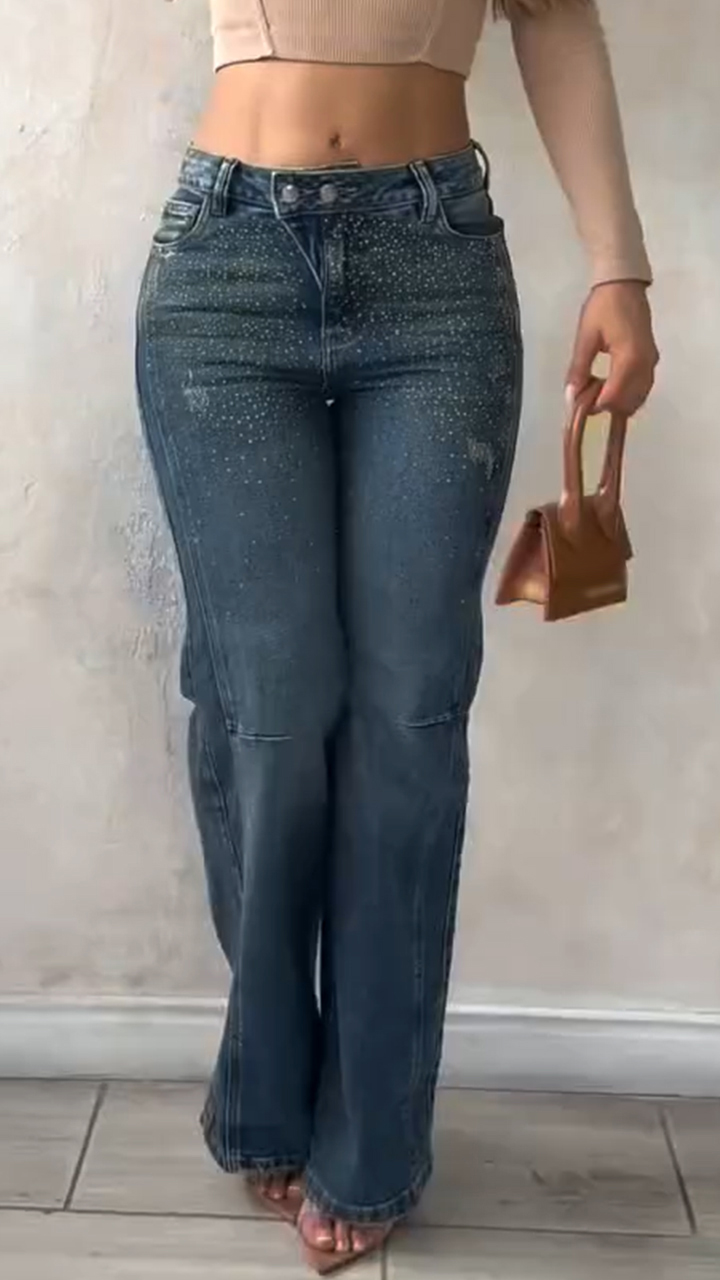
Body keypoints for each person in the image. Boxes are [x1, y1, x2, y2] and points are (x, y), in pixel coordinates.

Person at [135, 0, 659, 1271]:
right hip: (225, 268)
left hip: (437, 271)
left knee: (410, 717)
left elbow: (555, 17)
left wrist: (619, 266)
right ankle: (268, 1088)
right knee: (269, 710)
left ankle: (371, 1138)